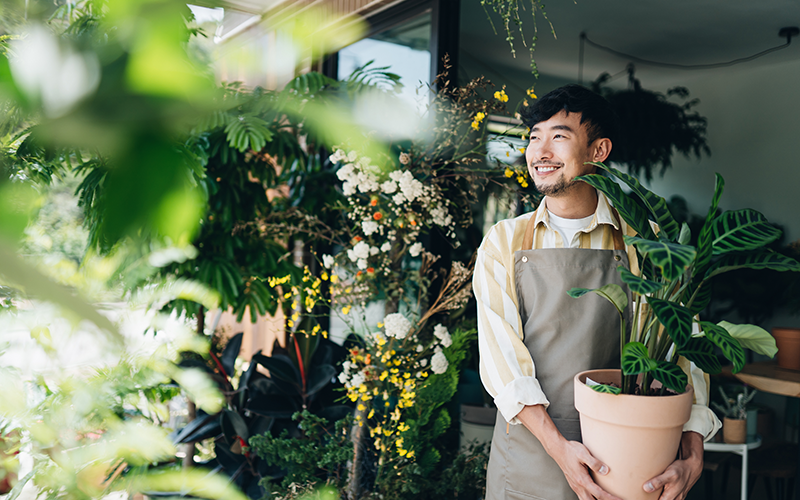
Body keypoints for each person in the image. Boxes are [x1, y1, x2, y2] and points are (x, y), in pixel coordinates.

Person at [473, 84, 720, 500]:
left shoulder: (646, 242)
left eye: (559, 136)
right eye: (534, 137)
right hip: (531, 460)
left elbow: (684, 350)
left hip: (628, 463)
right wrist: (560, 450)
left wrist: (692, 452)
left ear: (599, 150)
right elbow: (503, 365)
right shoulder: (504, 241)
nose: (540, 151)